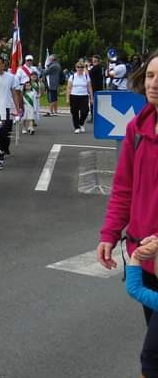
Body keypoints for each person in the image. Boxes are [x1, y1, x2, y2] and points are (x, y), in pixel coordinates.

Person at [97, 49, 158, 377]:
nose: (154, 83)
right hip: (144, 257)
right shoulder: (137, 129)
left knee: (151, 359)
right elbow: (123, 188)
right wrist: (109, 234)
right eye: (150, 76)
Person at [0, 55, 20, 170]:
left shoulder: (10, 77)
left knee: (3, 133)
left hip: (6, 108)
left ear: (3, 65)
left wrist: (17, 109)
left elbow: (14, 93)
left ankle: (2, 149)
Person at [66, 60, 92, 134]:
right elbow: (68, 88)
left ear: (83, 68)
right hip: (74, 96)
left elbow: (90, 87)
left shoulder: (86, 76)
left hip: (84, 96)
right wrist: (67, 99)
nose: (80, 69)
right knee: (74, 112)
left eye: (81, 67)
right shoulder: (72, 76)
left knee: (85, 111)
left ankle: (81, 123)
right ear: (76, 68)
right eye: (78, 67)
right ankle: (76, 127)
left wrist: (91, 98)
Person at [88, 55, 104, 122]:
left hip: (95, 87)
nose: (93, 61)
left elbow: (89, 73)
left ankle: (93, 117)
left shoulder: (96, 67)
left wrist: (87, 67)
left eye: (94, 60)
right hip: (97, 86)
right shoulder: (98, 67)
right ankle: (94, 116)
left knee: (93, 102)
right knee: (95, 103)